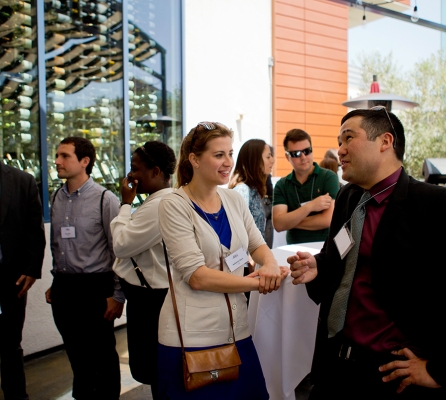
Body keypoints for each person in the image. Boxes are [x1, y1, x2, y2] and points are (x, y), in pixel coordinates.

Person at [288, 108, 446, 400]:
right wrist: (318, 267)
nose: (340, 150)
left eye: (349, 138)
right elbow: (338, 255)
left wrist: (443, 370)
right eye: (339, 141)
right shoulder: (349, 197)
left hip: (394, 378)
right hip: (336, 370)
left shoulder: (433, 205)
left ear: (385, 141)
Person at [157, 121, 287, 399]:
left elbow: (258, 245)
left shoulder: (233, 200)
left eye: (230, 153)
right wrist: (257, 283)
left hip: (237, 332)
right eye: (219, 155)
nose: (228, 162)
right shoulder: (173, 205)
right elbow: (197, 275)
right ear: (194, 159)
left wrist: (271, 265)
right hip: (192, 339)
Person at [45, 136, 123, 400]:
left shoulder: (105, 199)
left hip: (96, 289)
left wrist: (117, 295)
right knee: (77, 356)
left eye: (64, 156)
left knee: (102, 356)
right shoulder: (56, 197)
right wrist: (56, 282)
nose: (57, 161)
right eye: (58, 155)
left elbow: (119, 251)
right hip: (65, 289)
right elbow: (59, 245)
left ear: (84, 161)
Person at [111, 141, 176, 399]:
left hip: (152, 302)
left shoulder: (160, 205)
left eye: (135, 169)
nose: (130, 176)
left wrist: (125, 204)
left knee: (158, 371)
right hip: (149, 298)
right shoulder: (157, 201)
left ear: (155, 172)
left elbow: (121, 245)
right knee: (157, 370)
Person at [0, 162, 45, 400]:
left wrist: (31, 269)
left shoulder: (21, 181)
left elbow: (34, 230)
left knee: (10, 345)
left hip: (11, 280)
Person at [272, 128, 340, 245]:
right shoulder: (282, 185)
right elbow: (278, 224)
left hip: (324, 247)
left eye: (307, 151)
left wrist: (291, 221)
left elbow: (328, 220)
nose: (303, 157)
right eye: (296, 154)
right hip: (294, 250)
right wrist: (311, 206)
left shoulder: (328, 177)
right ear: (287, 157)